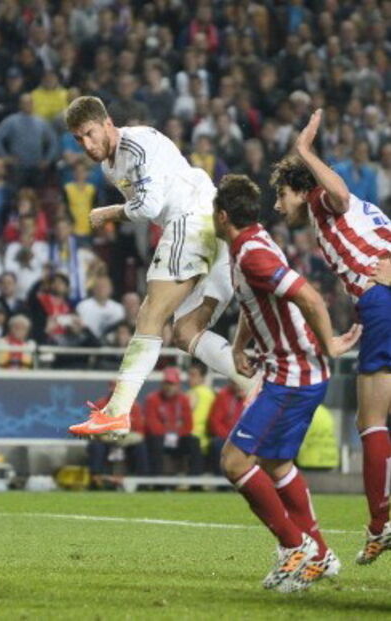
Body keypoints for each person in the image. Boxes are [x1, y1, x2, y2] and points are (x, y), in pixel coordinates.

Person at [64, 96, 255, 438]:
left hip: (192, 219)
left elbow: (149, 205)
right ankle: (255, 384)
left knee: (150, 314)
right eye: (79, 139)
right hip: (211, 227)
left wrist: (108, 212)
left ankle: (117, 412)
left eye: (91, 133)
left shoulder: (136, 146)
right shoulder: (110, 166)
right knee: (185, 332)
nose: (87, 144)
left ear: (107, 123)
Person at [213, 173, 360, 592]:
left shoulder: (252, 255)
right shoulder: (250, 241)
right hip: (293, 371)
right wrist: (241, 344)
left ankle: (297, 549)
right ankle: (319, 553)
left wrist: (329, 341)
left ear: (223, 217)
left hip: (291, 375)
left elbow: (309, 297)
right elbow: (255, 299)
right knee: (276, 464)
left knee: (235, 462)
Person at [270, 109, 391, 565]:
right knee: (372, 418)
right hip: (380, 301)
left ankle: (382, 524)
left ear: (302, 188)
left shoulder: (322, 199)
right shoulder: (360, 213)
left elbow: (335, 191)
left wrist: (304, 151)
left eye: (282, 195)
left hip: (381, 301)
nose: (279, 208)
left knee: (372, 420)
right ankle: (380, 526)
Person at [143, 367, 202, 476]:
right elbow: (152, 425)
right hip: (159, 438)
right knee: (155, 440)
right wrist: (169, 433)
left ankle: (195, 481)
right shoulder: (152, 399)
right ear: (162, 384)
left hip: (178, 438)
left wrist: (174, 434)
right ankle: (157, 481)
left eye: (172, 384)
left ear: (178, 385)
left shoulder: (183, 399)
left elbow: (188, 425)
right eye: (166, 383)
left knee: (194, 441)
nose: (169, 387)